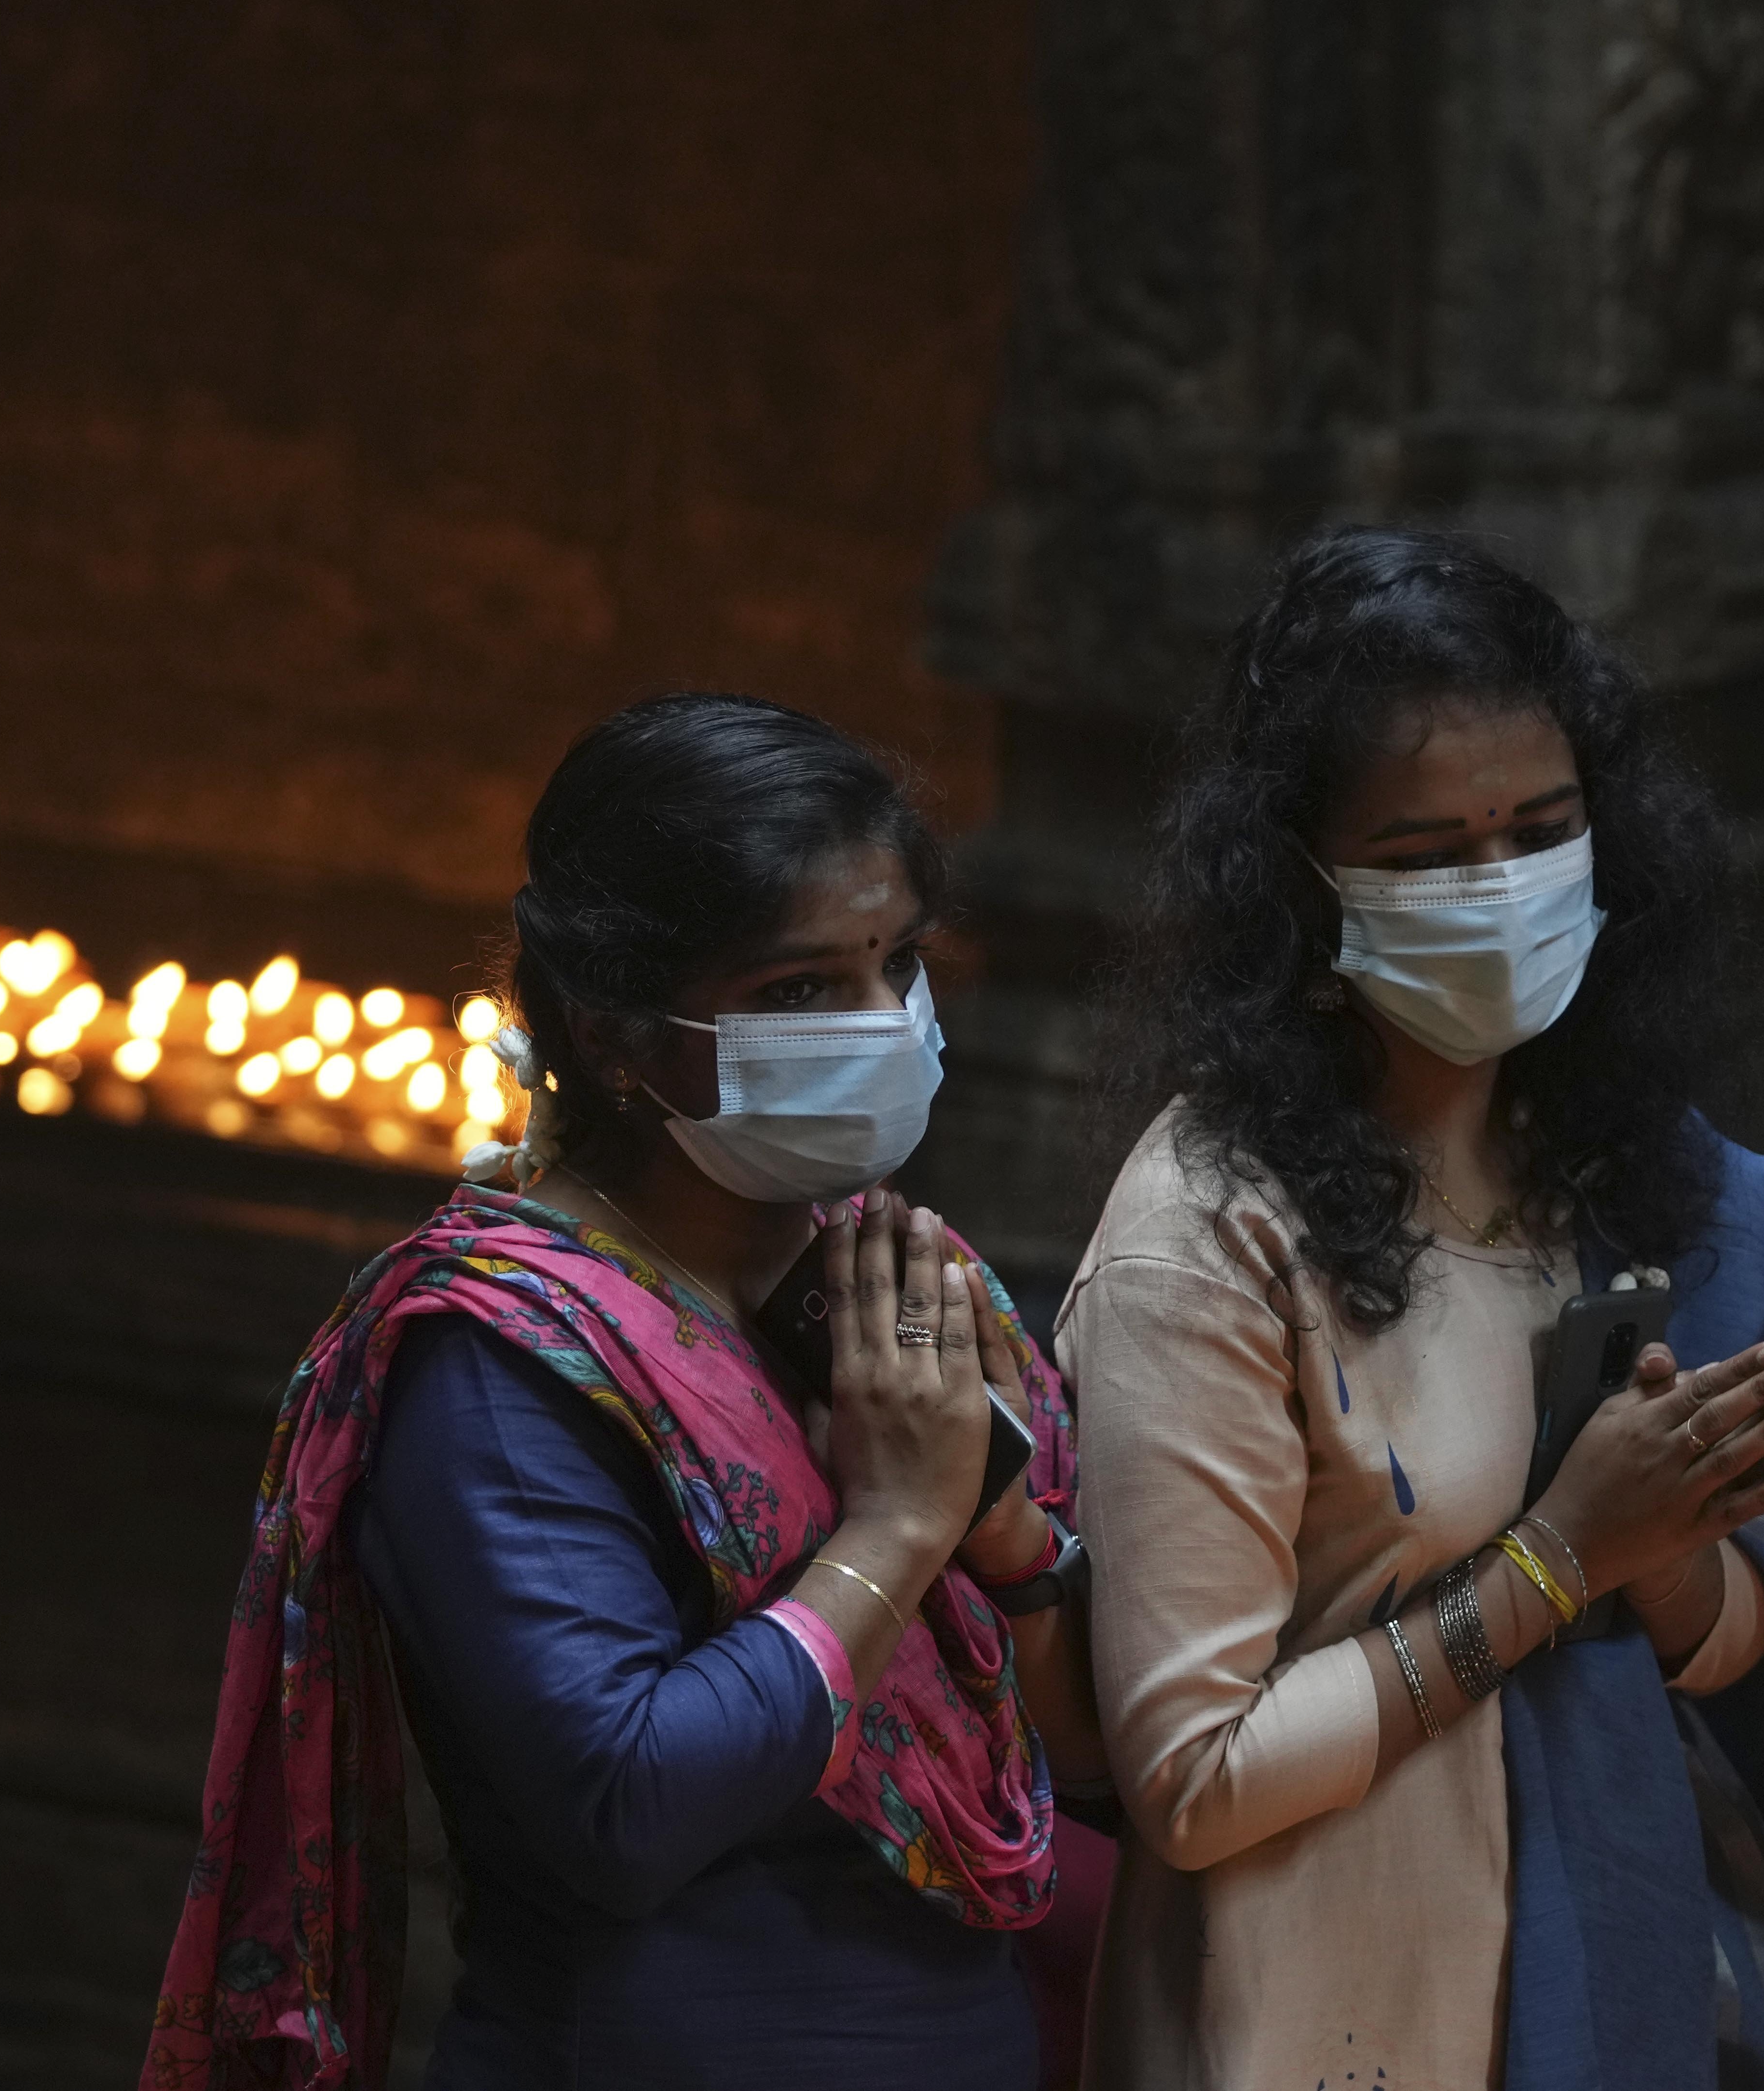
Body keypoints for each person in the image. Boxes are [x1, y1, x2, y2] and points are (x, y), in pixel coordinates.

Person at [141, 692, 1106, 2091]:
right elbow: (625, 1806)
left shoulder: (892, 1287)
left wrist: (1011, 1546)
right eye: (795, 993)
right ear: (611, 1035)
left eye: (895, 963)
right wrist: (895, 1533)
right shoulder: (501, 1357)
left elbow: (1098, 1771)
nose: (879, 1024)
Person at [1059, 529, 1764, 2091]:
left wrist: (1664, 1548)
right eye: (1425, 853)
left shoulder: (1665, 1188)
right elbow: (1193, 1778)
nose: (1494, 886)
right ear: (1299, 892)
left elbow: (1753, 1669)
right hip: (1321, 2002)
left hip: (1614, 1965)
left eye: (1536, 830)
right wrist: (1557, 1556)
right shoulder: (1207, 1239)